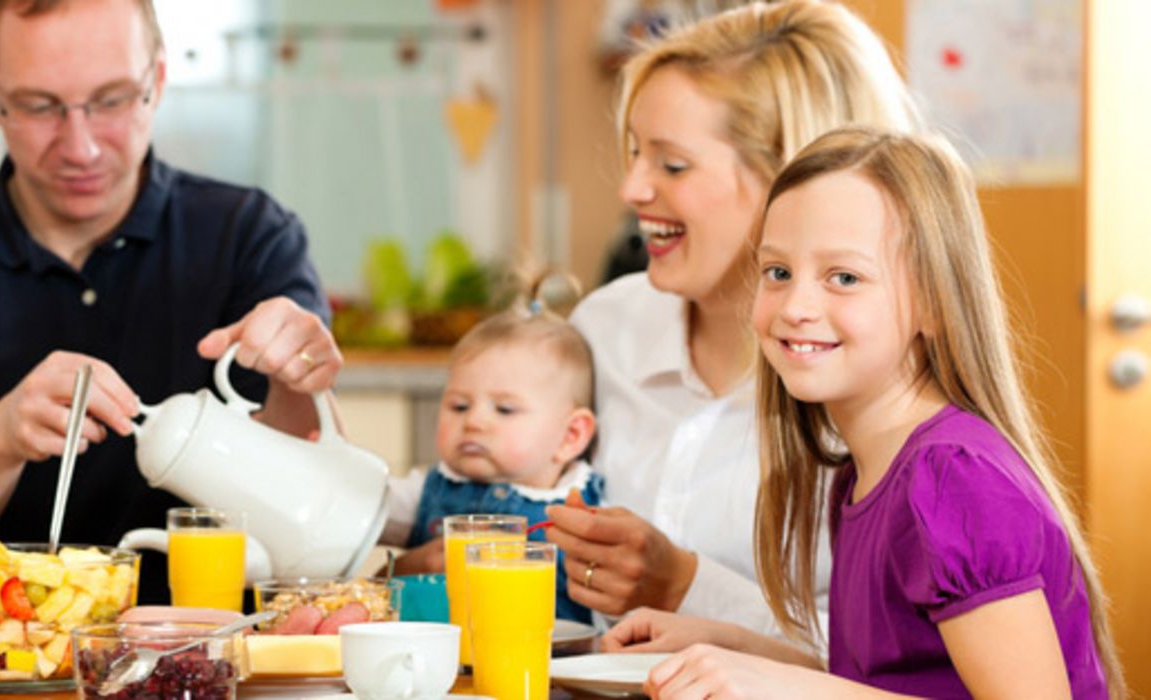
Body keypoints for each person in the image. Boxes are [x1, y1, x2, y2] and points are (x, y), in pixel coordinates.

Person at [0, 0, 340, 603]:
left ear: (156, 79)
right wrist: (2, 435)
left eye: (111, 100)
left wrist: (297, 379)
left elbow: (309, 501)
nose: (81, 148)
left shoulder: (250, 236)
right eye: (39, 106)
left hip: (213, 653)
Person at [637, 127, 1123, 698]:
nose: (796, 306)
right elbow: (898, 684)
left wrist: (791, 688)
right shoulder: (867, 471)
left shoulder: (951, 480)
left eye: (844, 277)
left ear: (934, 305)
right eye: (778, 272)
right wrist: (738, 652)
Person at [550, 0, 922, 637]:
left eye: (672, 164)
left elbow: (906, 655)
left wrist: (689, 589)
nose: (633, 188)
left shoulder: (877, 383)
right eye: (635, 153)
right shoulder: (605, 328)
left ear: (794, 174)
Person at [381, 279, 602, 623]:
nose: (474, 422)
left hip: (552, 668)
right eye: (458, 406)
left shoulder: (591, 513)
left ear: (570, 436)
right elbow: (362, 508)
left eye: (504, 410)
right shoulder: (427, 489)